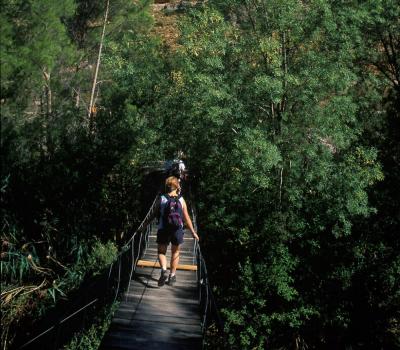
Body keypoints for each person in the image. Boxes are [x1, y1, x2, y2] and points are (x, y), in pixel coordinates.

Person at [155, 176, 199, 287]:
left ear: (168, 185)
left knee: (161, 252)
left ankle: (164, 270)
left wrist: (144, 225)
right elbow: (187, 217)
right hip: (177, 229)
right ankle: (172, 275)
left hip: (163, 228)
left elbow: (153, 215)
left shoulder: (162, 198)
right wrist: (193, 232)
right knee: (175, 252)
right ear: (176, 186)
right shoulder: (181, 199)